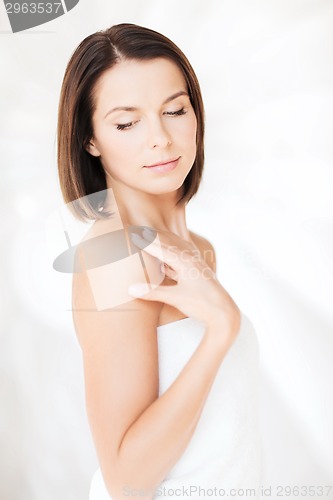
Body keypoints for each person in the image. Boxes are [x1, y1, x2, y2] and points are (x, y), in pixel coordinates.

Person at [57, 23, 263, 500]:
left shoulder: (197, 246)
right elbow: (127, 483)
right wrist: (221, 329)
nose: (161, 139)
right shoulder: (115, 255)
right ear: (90, 139)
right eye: (127, 123)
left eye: (174, 110)